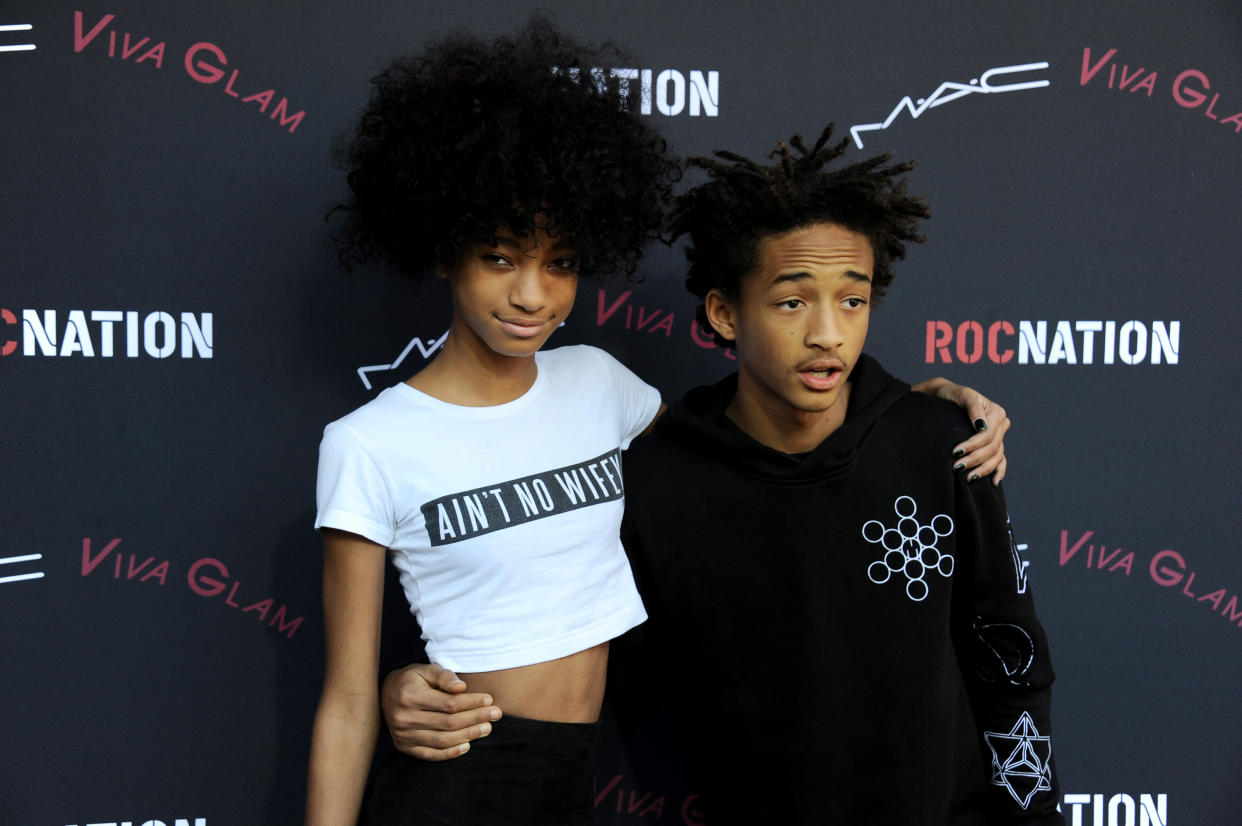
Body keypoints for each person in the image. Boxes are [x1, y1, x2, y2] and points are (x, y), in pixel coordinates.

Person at [309, 17, 1010, 825]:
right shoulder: (367, 442)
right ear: (442, 250)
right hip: (457, 776)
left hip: (575, 780)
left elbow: (742, 441)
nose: (532, 295)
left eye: (560, 263)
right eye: (500, 257)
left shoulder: (600, 386)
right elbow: (347, 702)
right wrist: (400, 688)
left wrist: (916, 399)